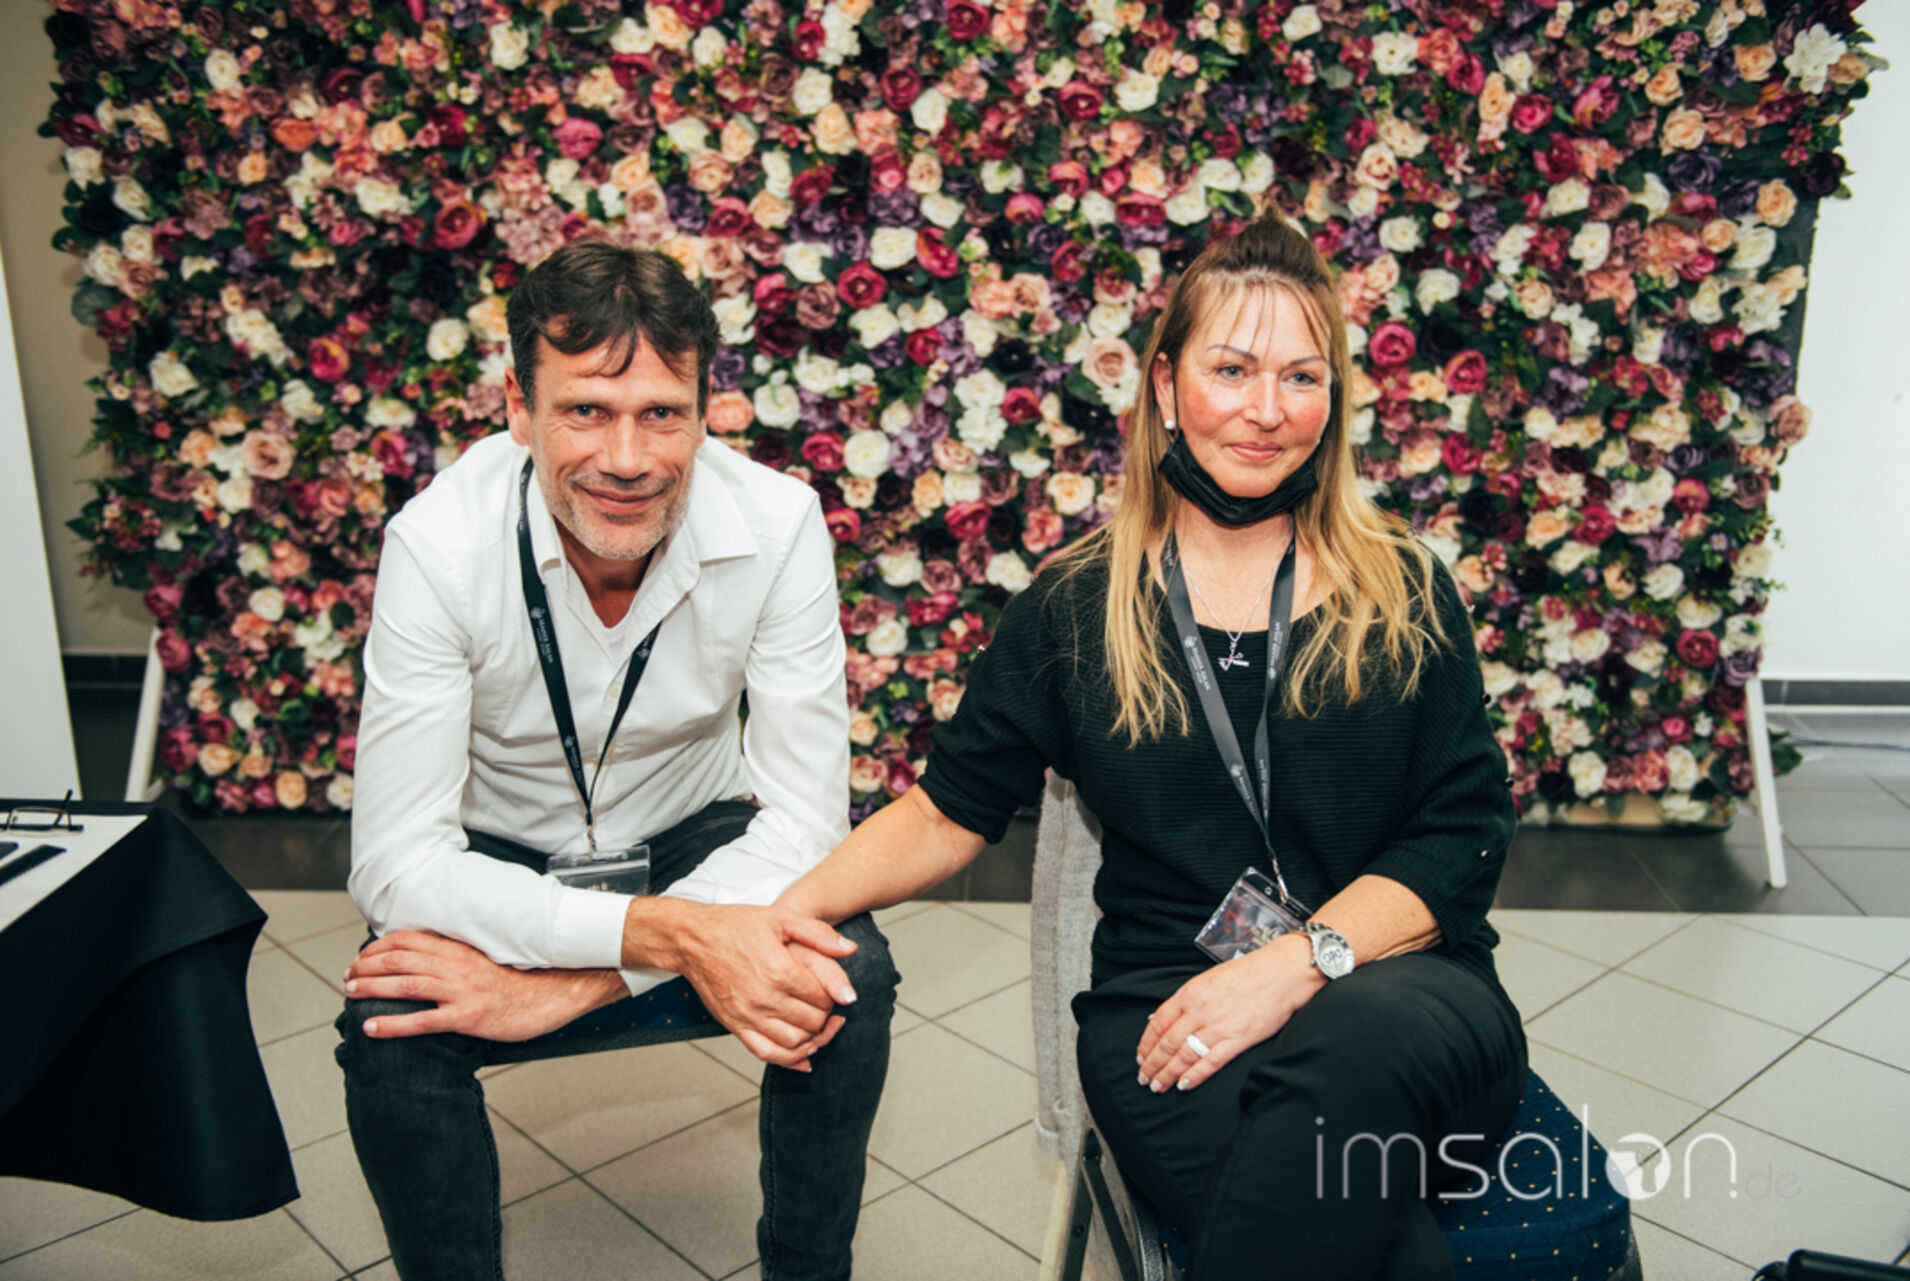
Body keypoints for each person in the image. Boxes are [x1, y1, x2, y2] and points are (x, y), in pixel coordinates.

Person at [774, 211, 1526, 1279]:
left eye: (1301, 377)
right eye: (1232, 369)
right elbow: (948, 811)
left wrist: (1295, 965)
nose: (1267, 410)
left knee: (1354, 1043)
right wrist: (780, 915)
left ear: (1335, 398)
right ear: (1166, 386)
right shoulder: (1080, 606)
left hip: (1403, 986)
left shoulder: (1402, 590)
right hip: (1172, 1009)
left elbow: (1464, 837)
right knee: (1383, 1252)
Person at [333, 239, 897, 1281]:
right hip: (501, 849)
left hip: (696, 838)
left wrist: (575, 983)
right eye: (587, 410)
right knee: (392, 1025)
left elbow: (805, 821)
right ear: (519, 407)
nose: (628, 459)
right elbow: (398, 864)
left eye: (661, 413)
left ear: (707, 409)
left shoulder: (779, 527)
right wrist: (667, 937)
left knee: (849, 973)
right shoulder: (438, 545)